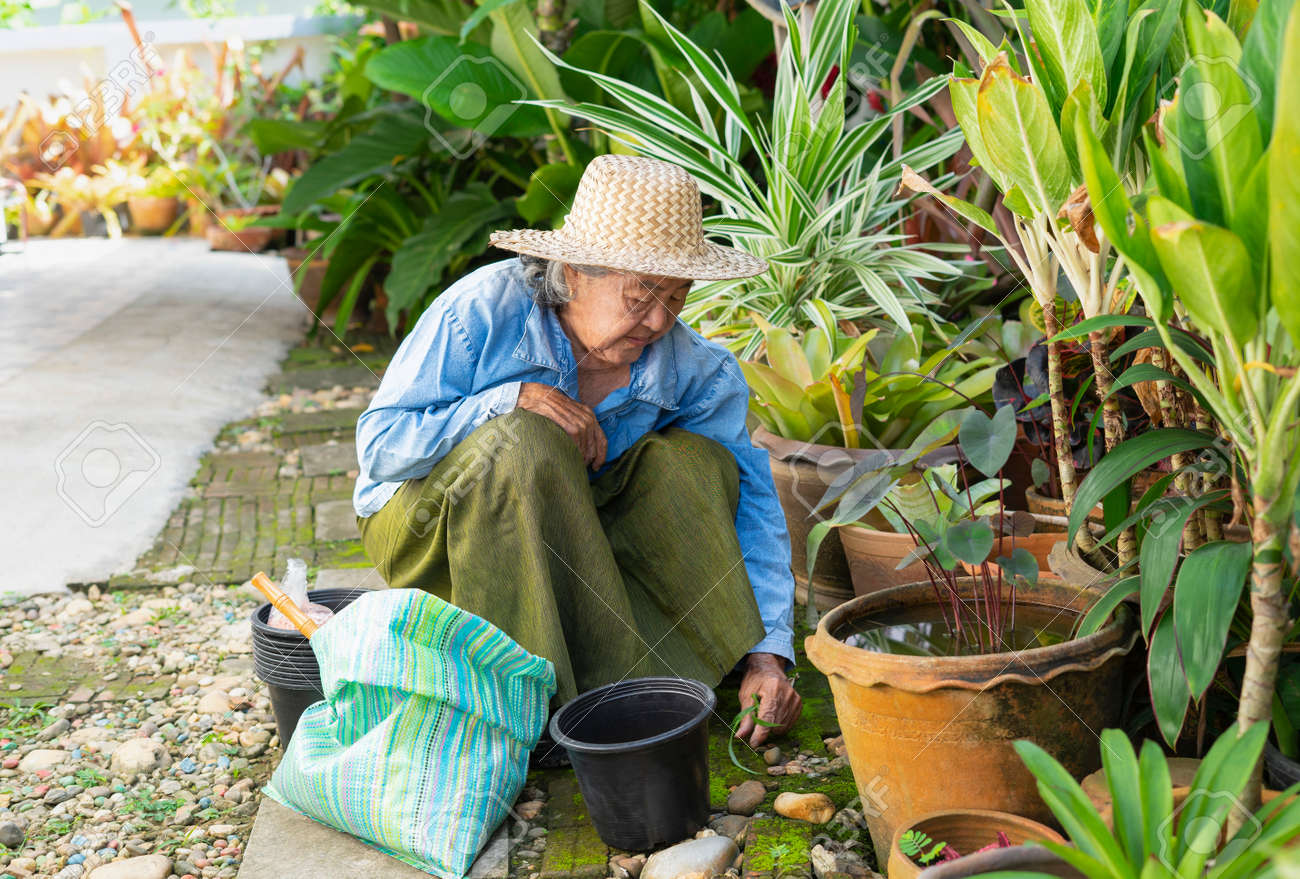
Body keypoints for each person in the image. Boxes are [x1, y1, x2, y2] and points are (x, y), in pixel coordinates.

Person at [353, 154, 801, 749]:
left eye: (677, 297)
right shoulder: (479, 311)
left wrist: (767, 654)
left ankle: (626, 683)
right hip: (428, 531)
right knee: (521, 442)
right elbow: (381, 448)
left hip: (578, 546)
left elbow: (754, 508)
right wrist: (511, 399)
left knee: (697, 461)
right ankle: (516, 701)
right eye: (641, 295)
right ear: (572, 272)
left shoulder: (698, 370)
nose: (660, 320)